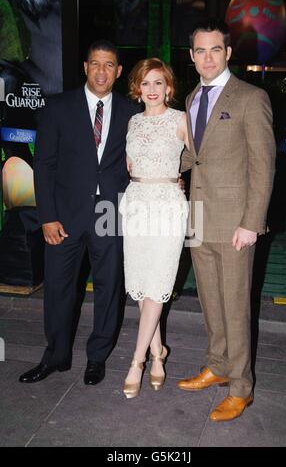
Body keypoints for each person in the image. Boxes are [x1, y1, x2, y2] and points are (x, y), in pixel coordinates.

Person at [19, 40, 138, 385]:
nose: (102, 71)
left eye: (109, 65)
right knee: (58, 287)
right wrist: (47, 217)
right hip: (64, 215)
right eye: (95, 64)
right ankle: (55, 356)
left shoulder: (132, 113)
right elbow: (44, 166)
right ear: (86, 67)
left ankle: (97, 357)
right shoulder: (58, 107)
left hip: (109, 211)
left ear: (117, 71)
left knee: (108, 286)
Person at [177, 20, 275, 421]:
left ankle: (241, 387)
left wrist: (251, 222)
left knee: (236, 307)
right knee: (211, 302)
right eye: (200, 51)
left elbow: (263, 165)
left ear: (228, 52)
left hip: (236, 224)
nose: (207, 57)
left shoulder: (251, 97)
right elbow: (194, 156)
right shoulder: (190, 98)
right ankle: (218, 366)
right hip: (200, 220)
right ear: (191, 56)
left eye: (215, 49)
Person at [119, 58, 189, 398]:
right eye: (145, 83)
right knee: (144, 285)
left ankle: (137, 362)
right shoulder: (132, 122)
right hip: (135, 204)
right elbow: (130, 164)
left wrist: (182, 180)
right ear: (137, 88)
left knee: (158, 283)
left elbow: (203, 157)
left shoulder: (181, 120)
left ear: (169, 87)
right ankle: (158, 354)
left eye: (158, 83)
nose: (152, 90)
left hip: (167, 207)